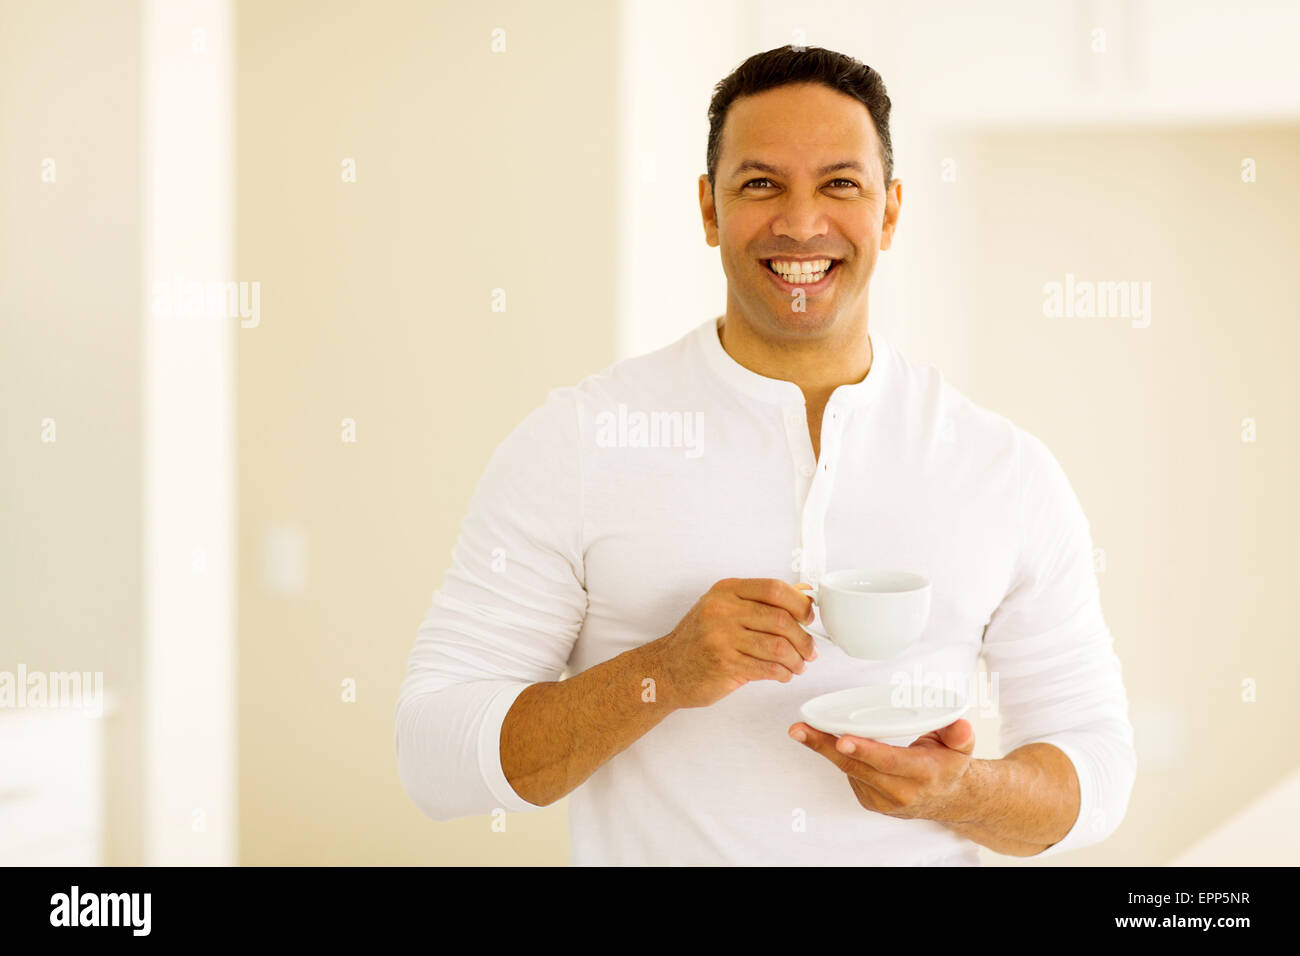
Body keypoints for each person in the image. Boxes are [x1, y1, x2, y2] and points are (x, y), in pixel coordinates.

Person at [395, 44, 1136, 865]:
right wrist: (663, 674)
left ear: (890, 212)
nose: (802, 222)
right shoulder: (577, 441)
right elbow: (433, 756)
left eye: (840, 185)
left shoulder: (1003, 469)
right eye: (761, 184)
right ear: (709, 209)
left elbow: (1097, 767)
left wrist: (962, 793)